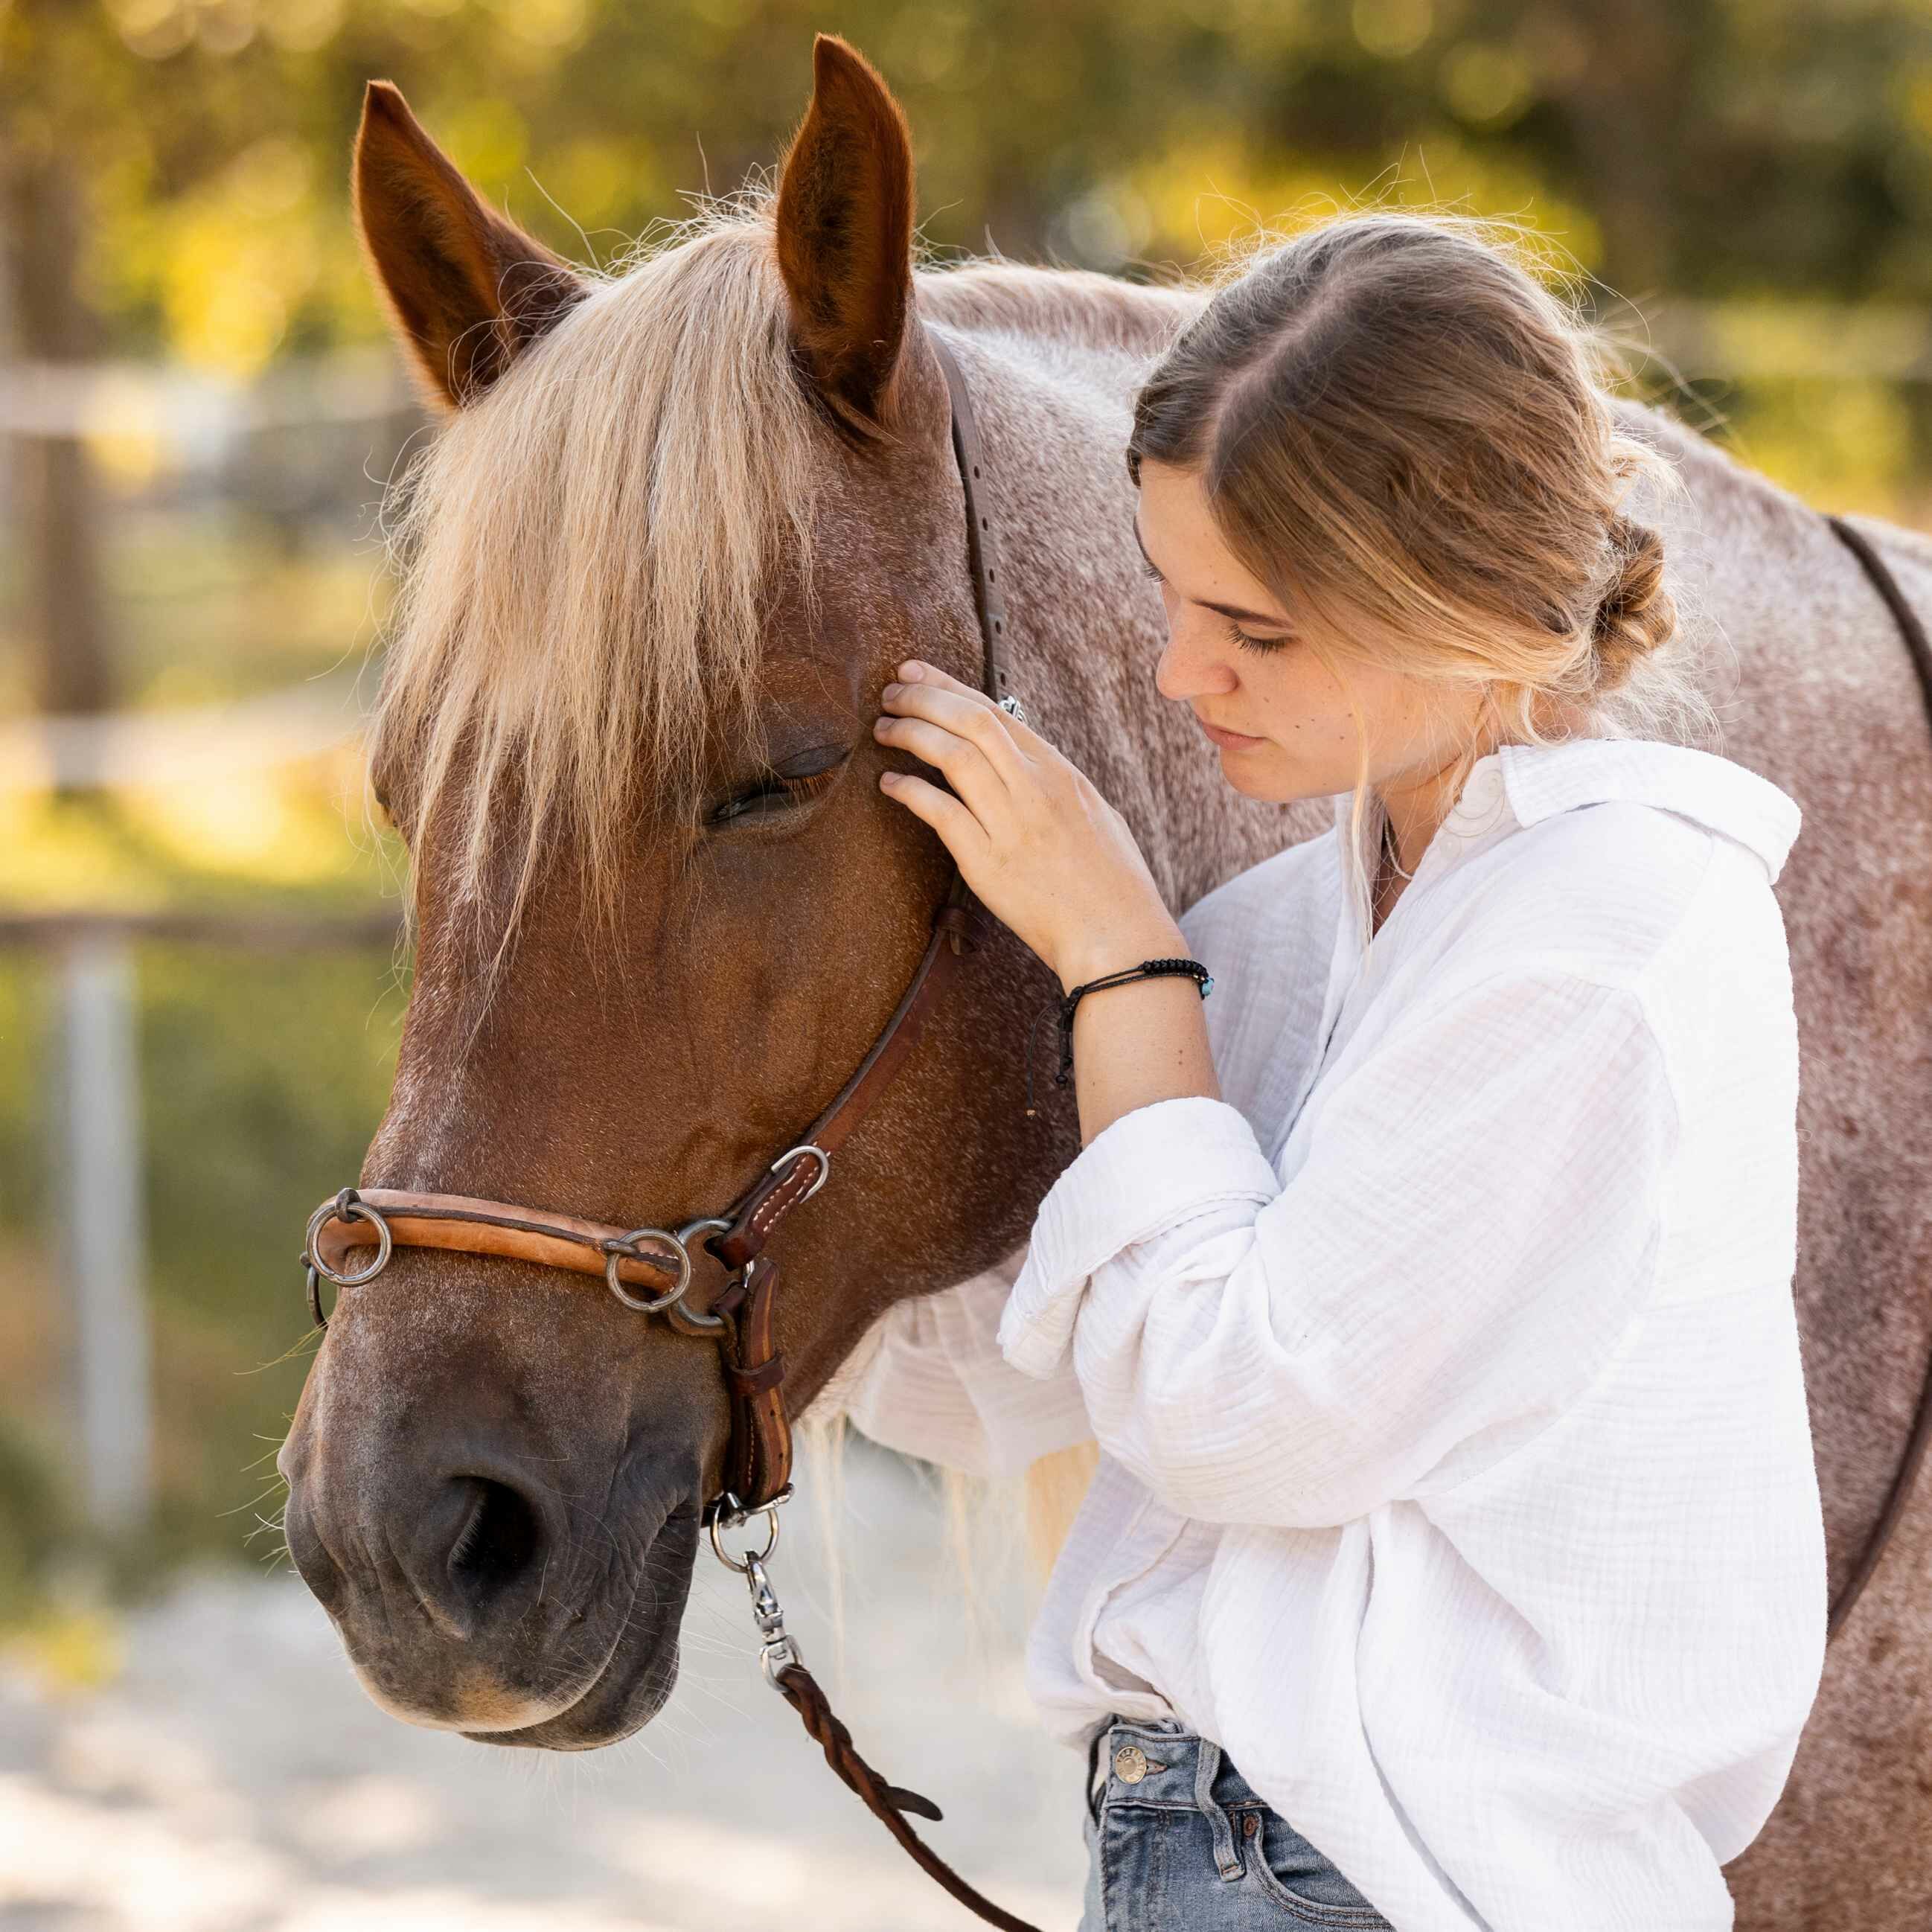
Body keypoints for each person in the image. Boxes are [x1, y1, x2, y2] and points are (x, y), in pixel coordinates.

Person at [845, 207, 1829, 1932]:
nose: (1176, 671)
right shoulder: (1313, 921)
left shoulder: (1602, 938)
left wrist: (1117, 954)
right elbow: (1030, 1371)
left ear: (1461, 590)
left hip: (1383, 1880)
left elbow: (1238, 1417)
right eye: (1168, 593)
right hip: (1214, 1846)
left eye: (1261, 629)